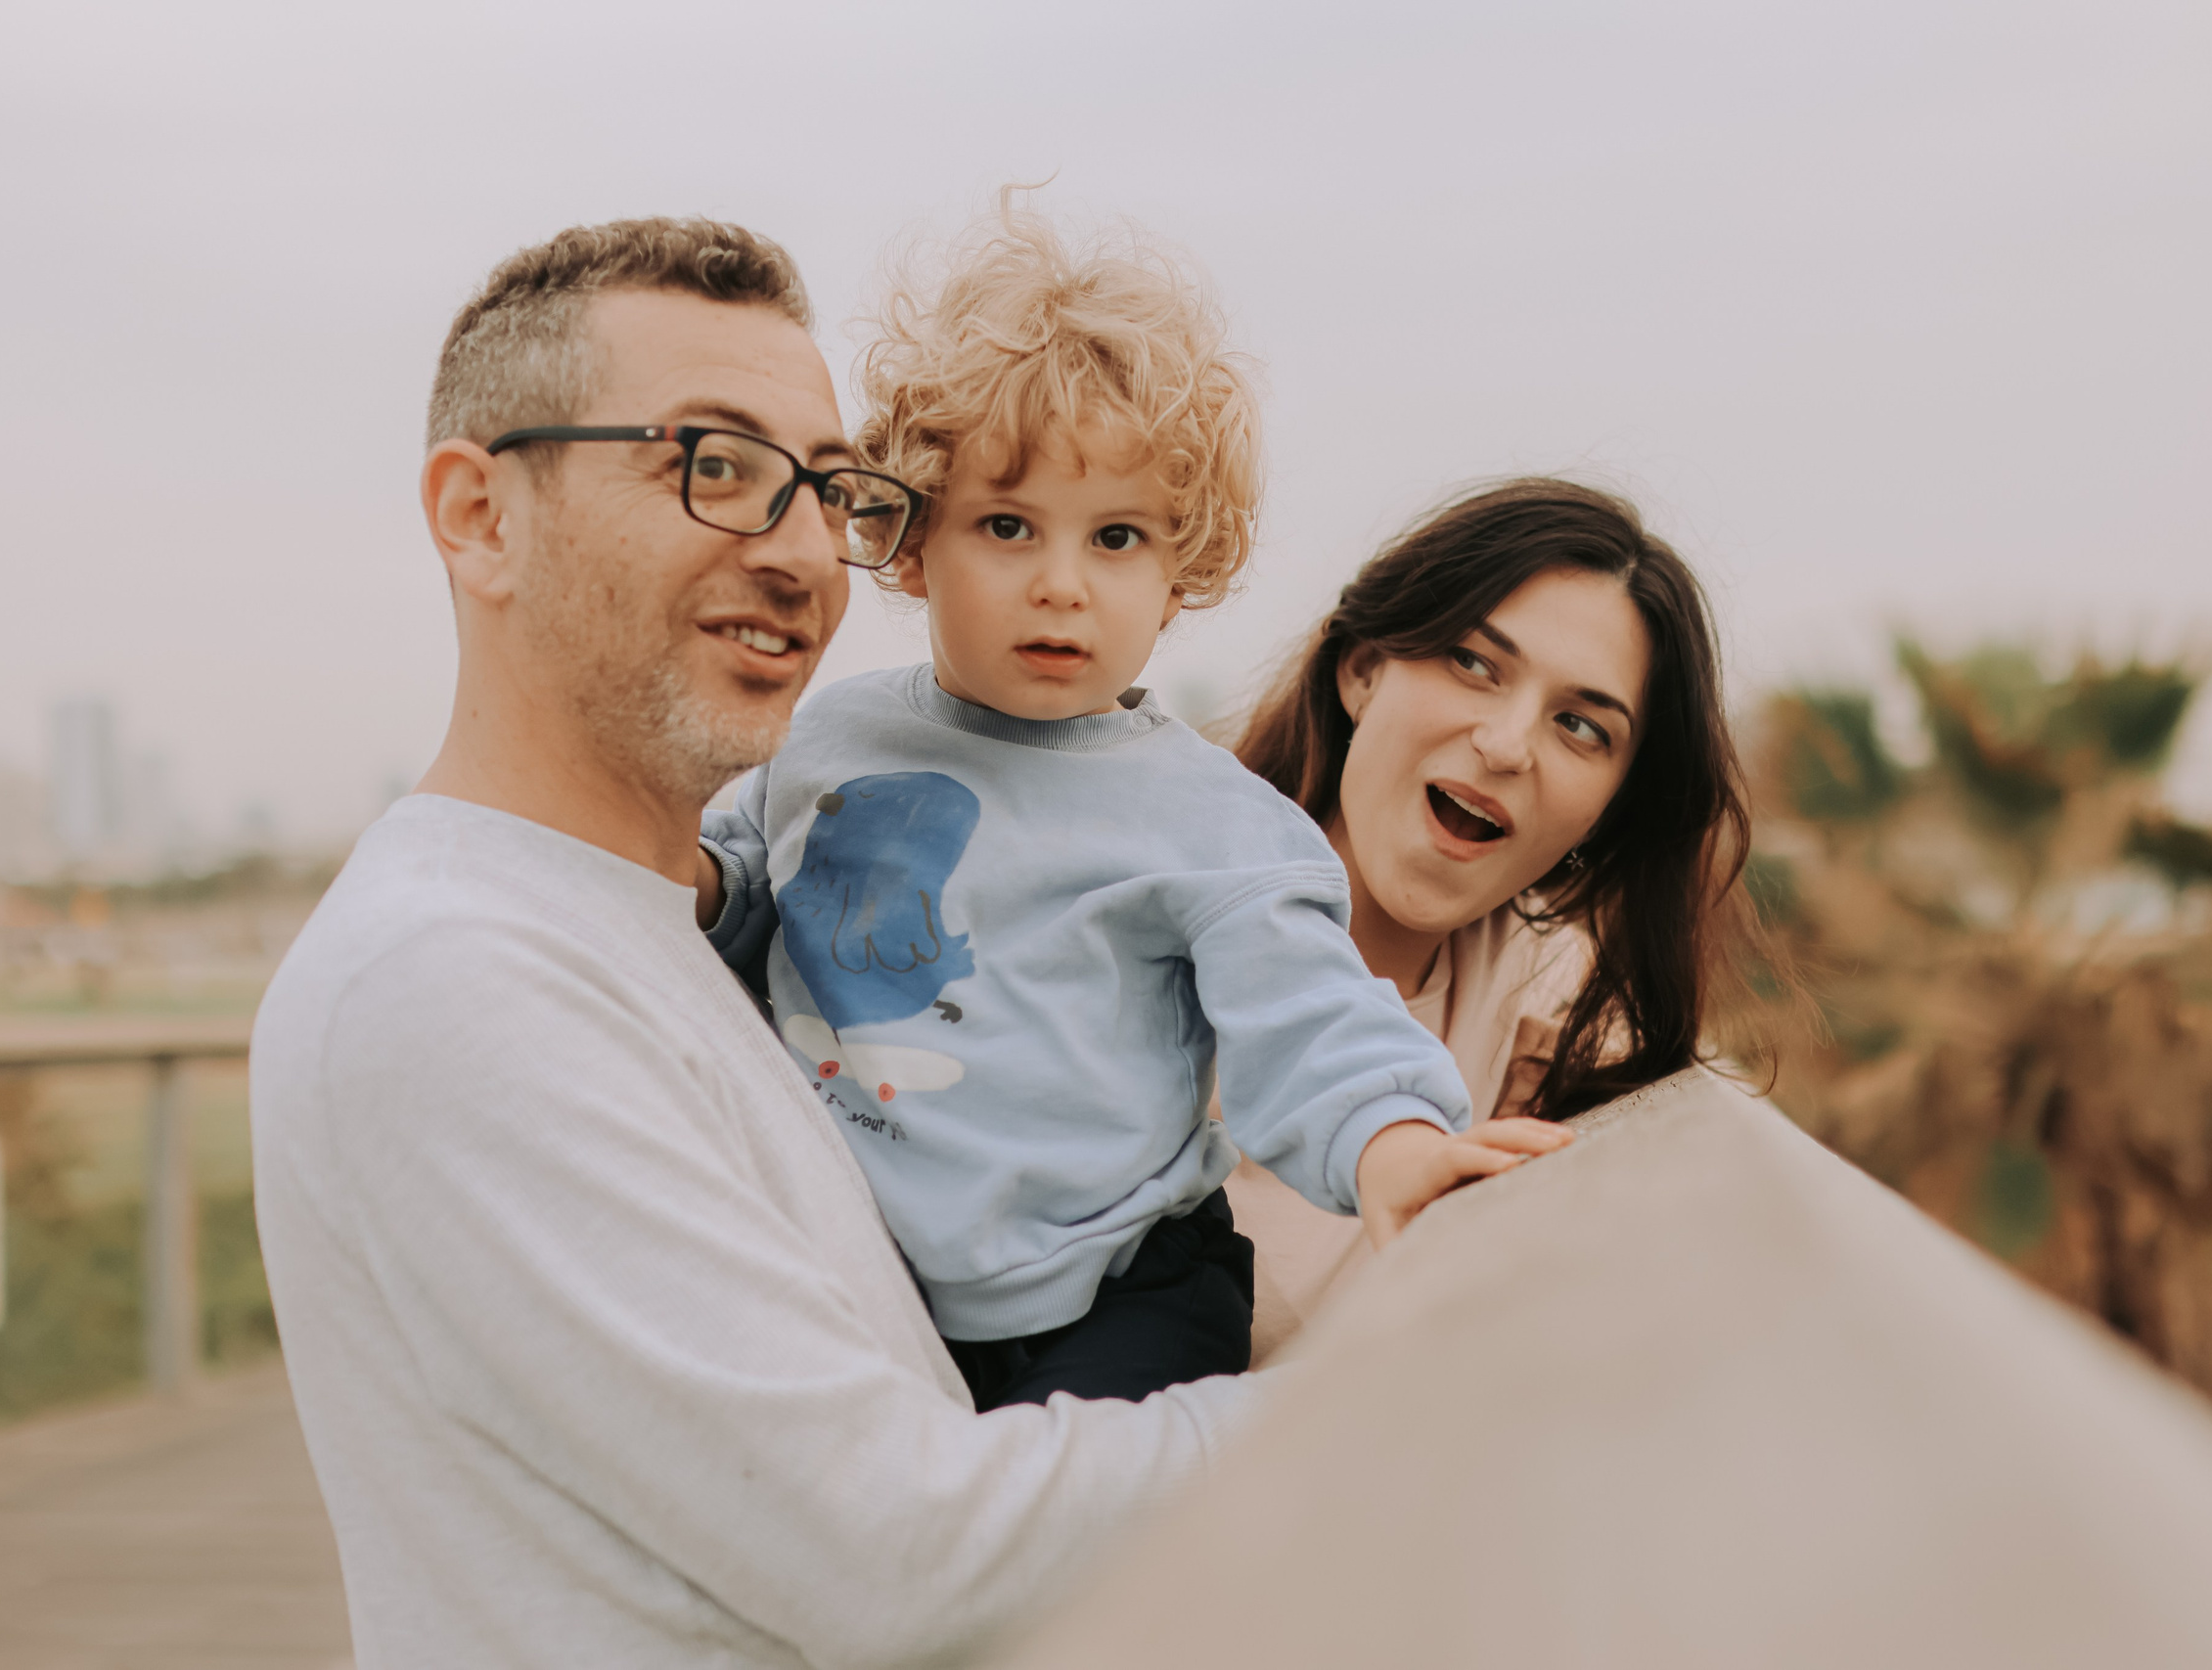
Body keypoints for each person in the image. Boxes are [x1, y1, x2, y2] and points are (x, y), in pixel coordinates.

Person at [250, 218, 1264, 1670]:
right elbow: (903, 1554)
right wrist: (1364, 1395)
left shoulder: (691, 918)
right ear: (481, 515)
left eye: (829, 489)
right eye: (711, 467)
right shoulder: (449, 976)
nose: (799, 551)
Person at [695, 205, 1569, 1414]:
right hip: (875, 1273)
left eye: (1117, 539)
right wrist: (689, 884)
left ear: (1178, 575)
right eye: (1007, 527)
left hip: (1118, 1285)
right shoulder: (830, 741)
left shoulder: (1204, 818)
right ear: (908, 540)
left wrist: (1392, 1141)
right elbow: (738, 886)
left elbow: (1308, 1008)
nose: (1063, 585)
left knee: (1077, 1556)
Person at [1221, 478, 1770, 1358]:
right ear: (1363, 670)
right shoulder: (1136, 930)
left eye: (1582, 726)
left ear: (1611, 809)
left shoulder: (1555, 997)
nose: (1507, 745)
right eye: (1475, 664)